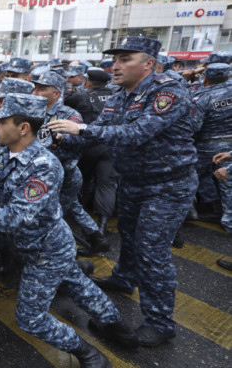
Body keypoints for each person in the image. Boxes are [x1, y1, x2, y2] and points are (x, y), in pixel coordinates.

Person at [0, 93, 135, 368]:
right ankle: (117, 328)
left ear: (23, 128)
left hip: (47, 250)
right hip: (37, 245)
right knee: (78, 285)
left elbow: (12, 218)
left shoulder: (44, 168)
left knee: (31, 319)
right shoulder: (5, 150)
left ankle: (88, 353)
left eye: (1, 122)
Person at [49, 36, 197, 347]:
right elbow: (97, 136)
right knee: (129, 236)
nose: (115, 65)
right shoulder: (119, 96)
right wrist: (60, 139)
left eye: (125, 59)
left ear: (149, 64)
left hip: (167, 186)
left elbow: (136, 134)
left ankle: (160, 323)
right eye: (114, 59)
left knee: (152, 252)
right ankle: (124, 279)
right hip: (132, 181)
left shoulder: (168, 92)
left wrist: (82, 129)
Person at [31, 72, 108, 256]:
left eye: (42, 89)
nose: (35, 92)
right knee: (72, 207)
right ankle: (98, 239)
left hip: (65, 173)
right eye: (36, 88)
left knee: (55, 214)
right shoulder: (35, 111)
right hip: (45, 173)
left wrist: (61, 138)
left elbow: (75, 138)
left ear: (56, 94)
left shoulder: (68, 115)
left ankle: (59, 254)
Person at [78, 69, 118, 235]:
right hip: (111, 145)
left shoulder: (83, 96)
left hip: (88, 146)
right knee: (106, 184)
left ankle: (79, 215)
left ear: (88, 81)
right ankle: (102, 224)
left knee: (82, 179)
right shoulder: (117, 96)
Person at [191, 63, 232, 221]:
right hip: (230, 146)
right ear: (227, 76)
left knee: (194, 174)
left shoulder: (203, 97)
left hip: (207, 144)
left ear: (206, 78)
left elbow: (194, 125)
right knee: (226, 180)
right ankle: (225, 214)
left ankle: (211, 205)